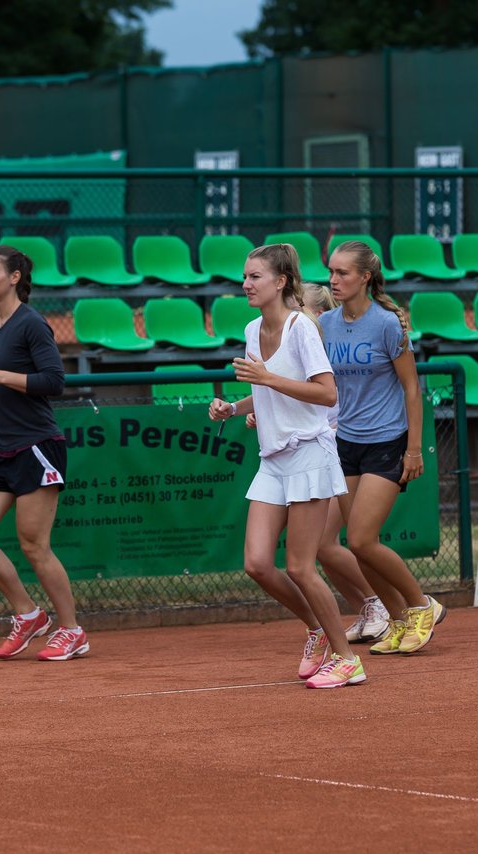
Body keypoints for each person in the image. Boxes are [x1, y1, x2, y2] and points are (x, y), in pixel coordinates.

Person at [209, 243, 366, 689]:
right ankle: (316, 629)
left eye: (255, 277)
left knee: (300, 566)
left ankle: (347, 658)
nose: (246, 284)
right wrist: (232, 408)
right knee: (258, 563)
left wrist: (267, 379)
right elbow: (265, 393)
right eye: (244, 277)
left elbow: (327, 394)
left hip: (309, 456)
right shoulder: (251, 327)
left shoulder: (302, 328)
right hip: (273, 460)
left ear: (280, 282)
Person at [0, 244, 86, 662]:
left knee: (34, 546)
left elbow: (53, 382)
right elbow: (8, 384)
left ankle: (72, 630)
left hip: (38, 447)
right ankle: (28, 614)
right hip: (3, 448)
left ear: (14, 278)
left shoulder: (32, 324)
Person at [317, 240, 445, 655]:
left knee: (362, 540)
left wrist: (414, 449)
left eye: (343, 273)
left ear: (365, 277)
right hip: (346, 442)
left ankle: (422, 605)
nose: (333, 280)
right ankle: (399, 619)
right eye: (331, 272)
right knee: (354, 544)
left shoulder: (388, 323)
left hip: (387, 442)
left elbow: (412, 388)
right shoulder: (328, 323)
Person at [276, 282, 392, 643]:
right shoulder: (308, 346)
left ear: (315, 314)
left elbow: (334, 402)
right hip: (327, 453)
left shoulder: (326, 349)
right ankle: (376, 606)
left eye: (298, 309)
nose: (290, 316)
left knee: (332, 543)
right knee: (327, 546)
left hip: (339, 452)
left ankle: (391, 604)